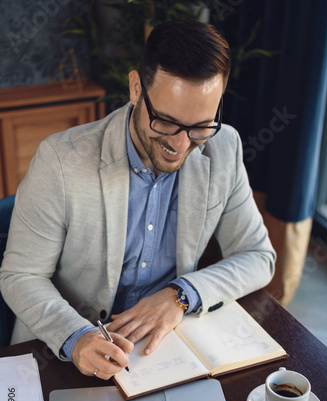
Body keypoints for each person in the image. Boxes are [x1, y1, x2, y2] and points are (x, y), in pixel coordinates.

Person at [0, 20, 275, 380]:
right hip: (62, 354)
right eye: (165, 122)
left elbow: (258, 256)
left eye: (200, 127)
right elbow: (20, 275)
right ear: (135, 89)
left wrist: (180, 295)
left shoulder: (224, 147)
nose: (180, 145)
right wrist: (76, 336)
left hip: (165, 352)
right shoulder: (60, 160)